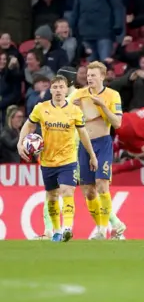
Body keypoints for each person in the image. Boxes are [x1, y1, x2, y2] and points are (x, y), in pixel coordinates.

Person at [17, 75, 98, 242]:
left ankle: (68, 228)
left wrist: (92, 155)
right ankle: (57, 231)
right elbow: (29, 125)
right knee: (52, 196)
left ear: (66, 89)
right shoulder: (41, 108)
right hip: (47, 160)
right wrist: (20, 143)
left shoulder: (75, 111)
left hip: (68, 160)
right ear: (51, 90)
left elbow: (83, 134)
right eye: (55, 87)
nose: (59, 90)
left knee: (67, 191)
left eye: (62, 87)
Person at [68, 61, 126, 240]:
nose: (90, 78)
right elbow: (65, 116)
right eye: (88, 75)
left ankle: (103, 230)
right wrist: (74, 110)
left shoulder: (112, 95)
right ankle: (107, 226)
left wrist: (102, 106)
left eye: (93, 75)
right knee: (88, 191)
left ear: (103, 76)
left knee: (102, 185)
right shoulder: (78, 94)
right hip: (84, 145)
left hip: (103, 143)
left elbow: (117, 123)